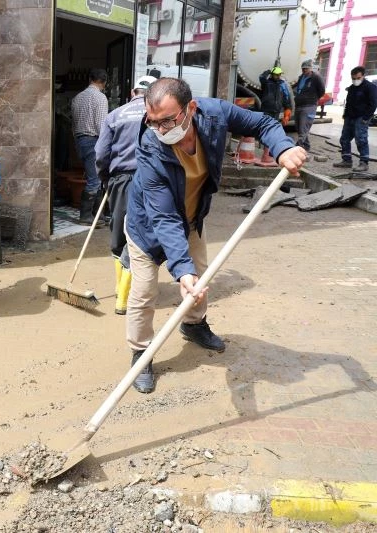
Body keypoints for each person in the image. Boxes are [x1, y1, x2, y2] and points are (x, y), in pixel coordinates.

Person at [124, 78, 307, 394]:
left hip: (192, 217)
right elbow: (164, 217)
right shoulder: (150, 147)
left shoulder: (215, 114)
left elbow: (263, 123)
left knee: (202, 276)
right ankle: (141, 354)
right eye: (153, 121)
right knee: (144, 293)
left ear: (190, 109)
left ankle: (194, 326)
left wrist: (283, 148)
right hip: (147, 226)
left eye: (168, 119)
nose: (162, 129)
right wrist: (181, 271)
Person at [95, 74, 157, 315]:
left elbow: (101, 153)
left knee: (118, 232)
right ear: (153, 94)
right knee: (138, 234)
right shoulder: (157, 115)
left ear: (133, 91)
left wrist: (105, 178)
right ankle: (123, 298)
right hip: (149, 179)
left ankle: (121, 289)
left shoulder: (115, 115)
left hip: (120, 179)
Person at [71, 68, 109, 224]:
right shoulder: (100, 98)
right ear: (104, 83)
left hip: (81, 140)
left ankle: (97, 215)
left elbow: (73, 125)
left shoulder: (77, 98)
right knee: (95, 179)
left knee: (96, 178)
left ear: (90, 79)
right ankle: (85, 216)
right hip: (94, 141)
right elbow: (101, 126)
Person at [333, 66, 377, 173]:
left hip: (361, 118)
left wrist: (366, 118)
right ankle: (347, 160)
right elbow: (348, 102)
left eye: (358, 78)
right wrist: (345, 115)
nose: (355, 80)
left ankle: (364, 163)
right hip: (350, 117)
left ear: (363, 76)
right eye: (353, 78)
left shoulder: (370, 87)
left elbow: (373, 104)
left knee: (361, 139)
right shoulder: (352, 88)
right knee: (344, 139)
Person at [293, 59, 326, 151]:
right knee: (299, 127)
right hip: (299, 105)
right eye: (303, 69)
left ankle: (298, 146)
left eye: (306, 69)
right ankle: (306, 145)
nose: (304, 70)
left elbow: (322, 90)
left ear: (310, 68)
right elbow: (296, 87)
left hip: (309, 105)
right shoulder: (301, 77)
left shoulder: (316, 77)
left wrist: (313, 98)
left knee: (304, 127)